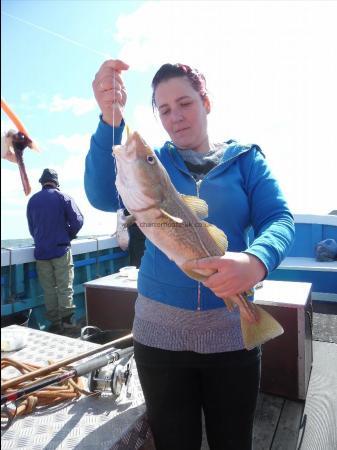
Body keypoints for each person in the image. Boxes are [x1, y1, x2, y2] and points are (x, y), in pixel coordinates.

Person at [84, 59, 295, 450]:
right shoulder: (155, 162)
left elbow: (279, 219)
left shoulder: (246, 160)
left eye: (185, 103)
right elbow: (100, 193)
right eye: (163, 110)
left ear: (206, 102)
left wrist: (255, 261)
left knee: (233, 441)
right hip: (158, 338)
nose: (175, 117)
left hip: (232, 335)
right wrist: (110, 119)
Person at [27, 168, 84, 333]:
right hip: (60, 249)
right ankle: (67, 322)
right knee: (64, 286)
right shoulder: (63, 197)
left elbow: (32, 228)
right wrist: (69, 235)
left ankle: (54, 323)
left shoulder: (33, 200)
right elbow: (78, 220)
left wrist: (41, 239)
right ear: (56, 182)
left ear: (42, 182)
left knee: (49, 289)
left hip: (41, 252)